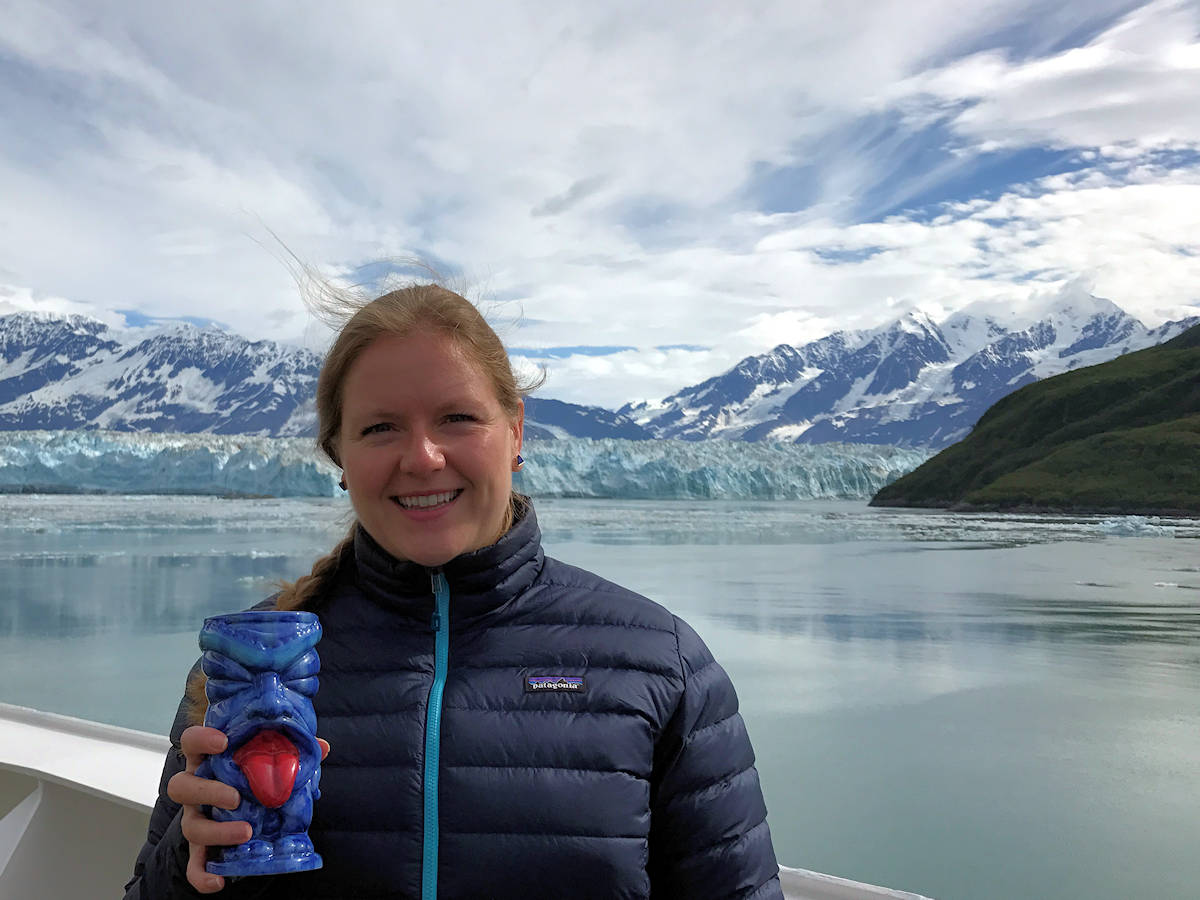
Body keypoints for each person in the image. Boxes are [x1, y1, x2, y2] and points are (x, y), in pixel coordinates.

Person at [124, 283, 783, 899]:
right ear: (339, 458)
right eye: (380, 428)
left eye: (458, 418)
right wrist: (192, 864)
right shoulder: (253, 664)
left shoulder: (658, 663)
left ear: (516, 432)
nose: (424, 457)